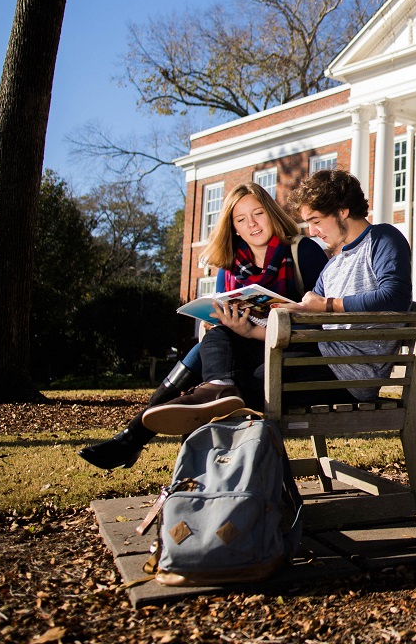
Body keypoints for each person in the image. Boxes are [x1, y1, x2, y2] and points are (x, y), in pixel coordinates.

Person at [141, 169, 413, 436]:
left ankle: (203, 406)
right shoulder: (333, 266)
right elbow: (306, 321)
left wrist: (327, 306)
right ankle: (215, 389)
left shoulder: (382, 238)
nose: (314, 231)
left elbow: (396, 298)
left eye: (316, 220)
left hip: (351, 374)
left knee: (249, 386)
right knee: (223, 336)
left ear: (342, 210)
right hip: (322, 358)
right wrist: (250, 330)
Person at [78, 182, 328, 470]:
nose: (252, 224)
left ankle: (133, 437)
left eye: (258, 213)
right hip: (243, 351)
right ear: (233, 227)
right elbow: (216, 315)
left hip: (290, 350)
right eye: (241, 219)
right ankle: (210, 395)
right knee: (215, 335)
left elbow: (319, 318)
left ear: (271, 214)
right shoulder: (229, 265)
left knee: (203, 359)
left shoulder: (302, 251)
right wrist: (216, 324)